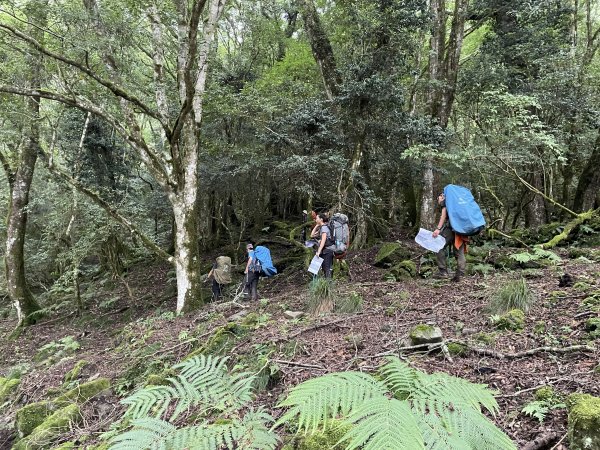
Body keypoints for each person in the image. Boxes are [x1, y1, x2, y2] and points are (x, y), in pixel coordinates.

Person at [432, 192, 466, 282]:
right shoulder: (458, 203)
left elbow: (443, 216)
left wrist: (438, 229)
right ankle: (460, 274)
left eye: (438, 198)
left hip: (451, 229)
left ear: (442, 196)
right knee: (459, 251)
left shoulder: (446, 203)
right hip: (462, 229)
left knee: (438, 246)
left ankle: (443, 272)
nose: (438, 200)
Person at [314, 213, 334, 278]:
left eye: (317, 218)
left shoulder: (324, 228)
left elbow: (323, 241)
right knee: (325, 268)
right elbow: (311, 235)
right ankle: (326, 284)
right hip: (325, 250)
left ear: (321, 219)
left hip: (327, 250)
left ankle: (328, 285)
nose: (315, 219)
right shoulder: (322, 228)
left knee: (327, 268)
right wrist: (316, 226)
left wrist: (318, 252)